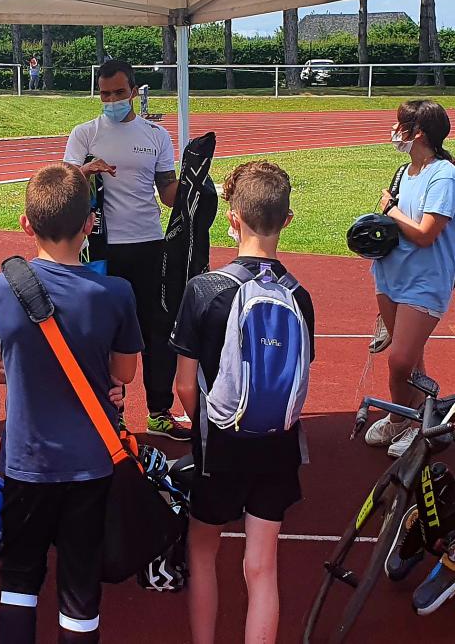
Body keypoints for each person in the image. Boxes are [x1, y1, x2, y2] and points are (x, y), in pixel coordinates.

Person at [0, 164, 144, 644]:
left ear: (26, 224)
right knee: (80, 585)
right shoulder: (116, 293)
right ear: (90, 224)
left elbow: (1, 370)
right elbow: (125, 373)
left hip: (27, 462)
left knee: (19, 580)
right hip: (91, 463)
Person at [171, 161, 313, 644]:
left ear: (232, 218)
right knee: (262, 567)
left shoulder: (204, 291)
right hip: (277, 445)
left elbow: (186, 387)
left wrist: (205, 425)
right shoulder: (301, 297)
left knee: (202, 549)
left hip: (220, 447)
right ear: (287, 220)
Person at [65, 58, 184, 440]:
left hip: (150, 244)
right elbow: (64, 189)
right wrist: (85, 172)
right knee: (109, 334)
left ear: (134, 91)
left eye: (118, 92)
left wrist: (192, 188)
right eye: (104, 94)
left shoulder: (155, 136)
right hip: (104, 250)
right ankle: (112, 412)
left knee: (156, 330)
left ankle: (159, 412)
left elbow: (167, 192)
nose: (111, 100)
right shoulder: (84, 134)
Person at [360, 100, 455, 458]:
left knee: (401, 360)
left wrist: (389, 209)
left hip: (424, 281)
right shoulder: (404, 172)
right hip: (391, 274)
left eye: (399, 126)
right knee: (411, 357)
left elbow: (425, 233)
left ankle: (399, 415)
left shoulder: (446, 177)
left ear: (417, 132)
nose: (394, 132)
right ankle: (421, 417)